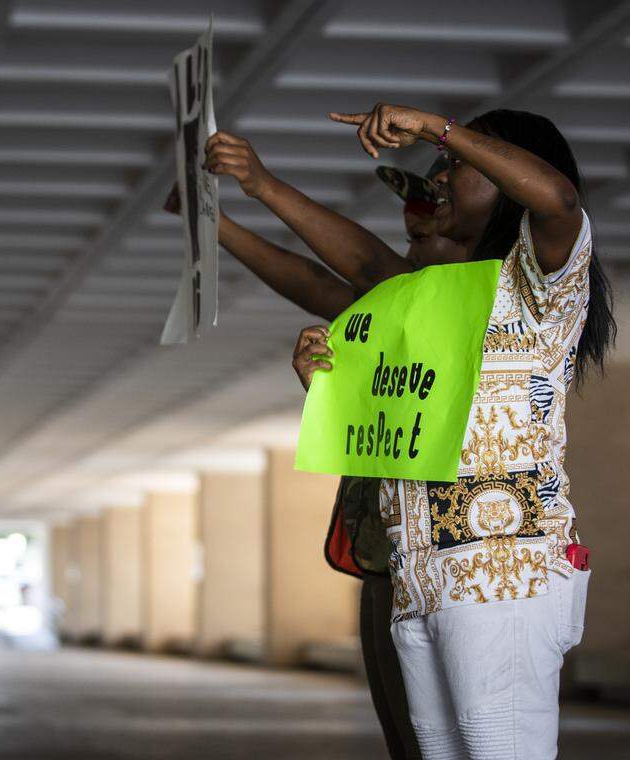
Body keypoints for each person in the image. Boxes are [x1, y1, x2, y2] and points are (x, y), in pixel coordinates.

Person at [284, 104, 613, 759]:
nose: (442, 175)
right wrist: (321, 387)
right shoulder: (431, 303)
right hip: (421, 579)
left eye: (460, 164)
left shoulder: (541, 282)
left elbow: (560, 199)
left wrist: (439, 128)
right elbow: (396, 433)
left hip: (503, 577)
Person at [169, 140, 466, 760]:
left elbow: (362, 267)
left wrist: (262, 186)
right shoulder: (405, 302)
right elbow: (316, 283)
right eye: (412, 217)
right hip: (389, 547)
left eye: (434, 208)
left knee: (457, 735)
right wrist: (218, 225)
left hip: (455, 556)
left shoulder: (483, 300)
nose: (415, 223)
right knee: (410, 737)